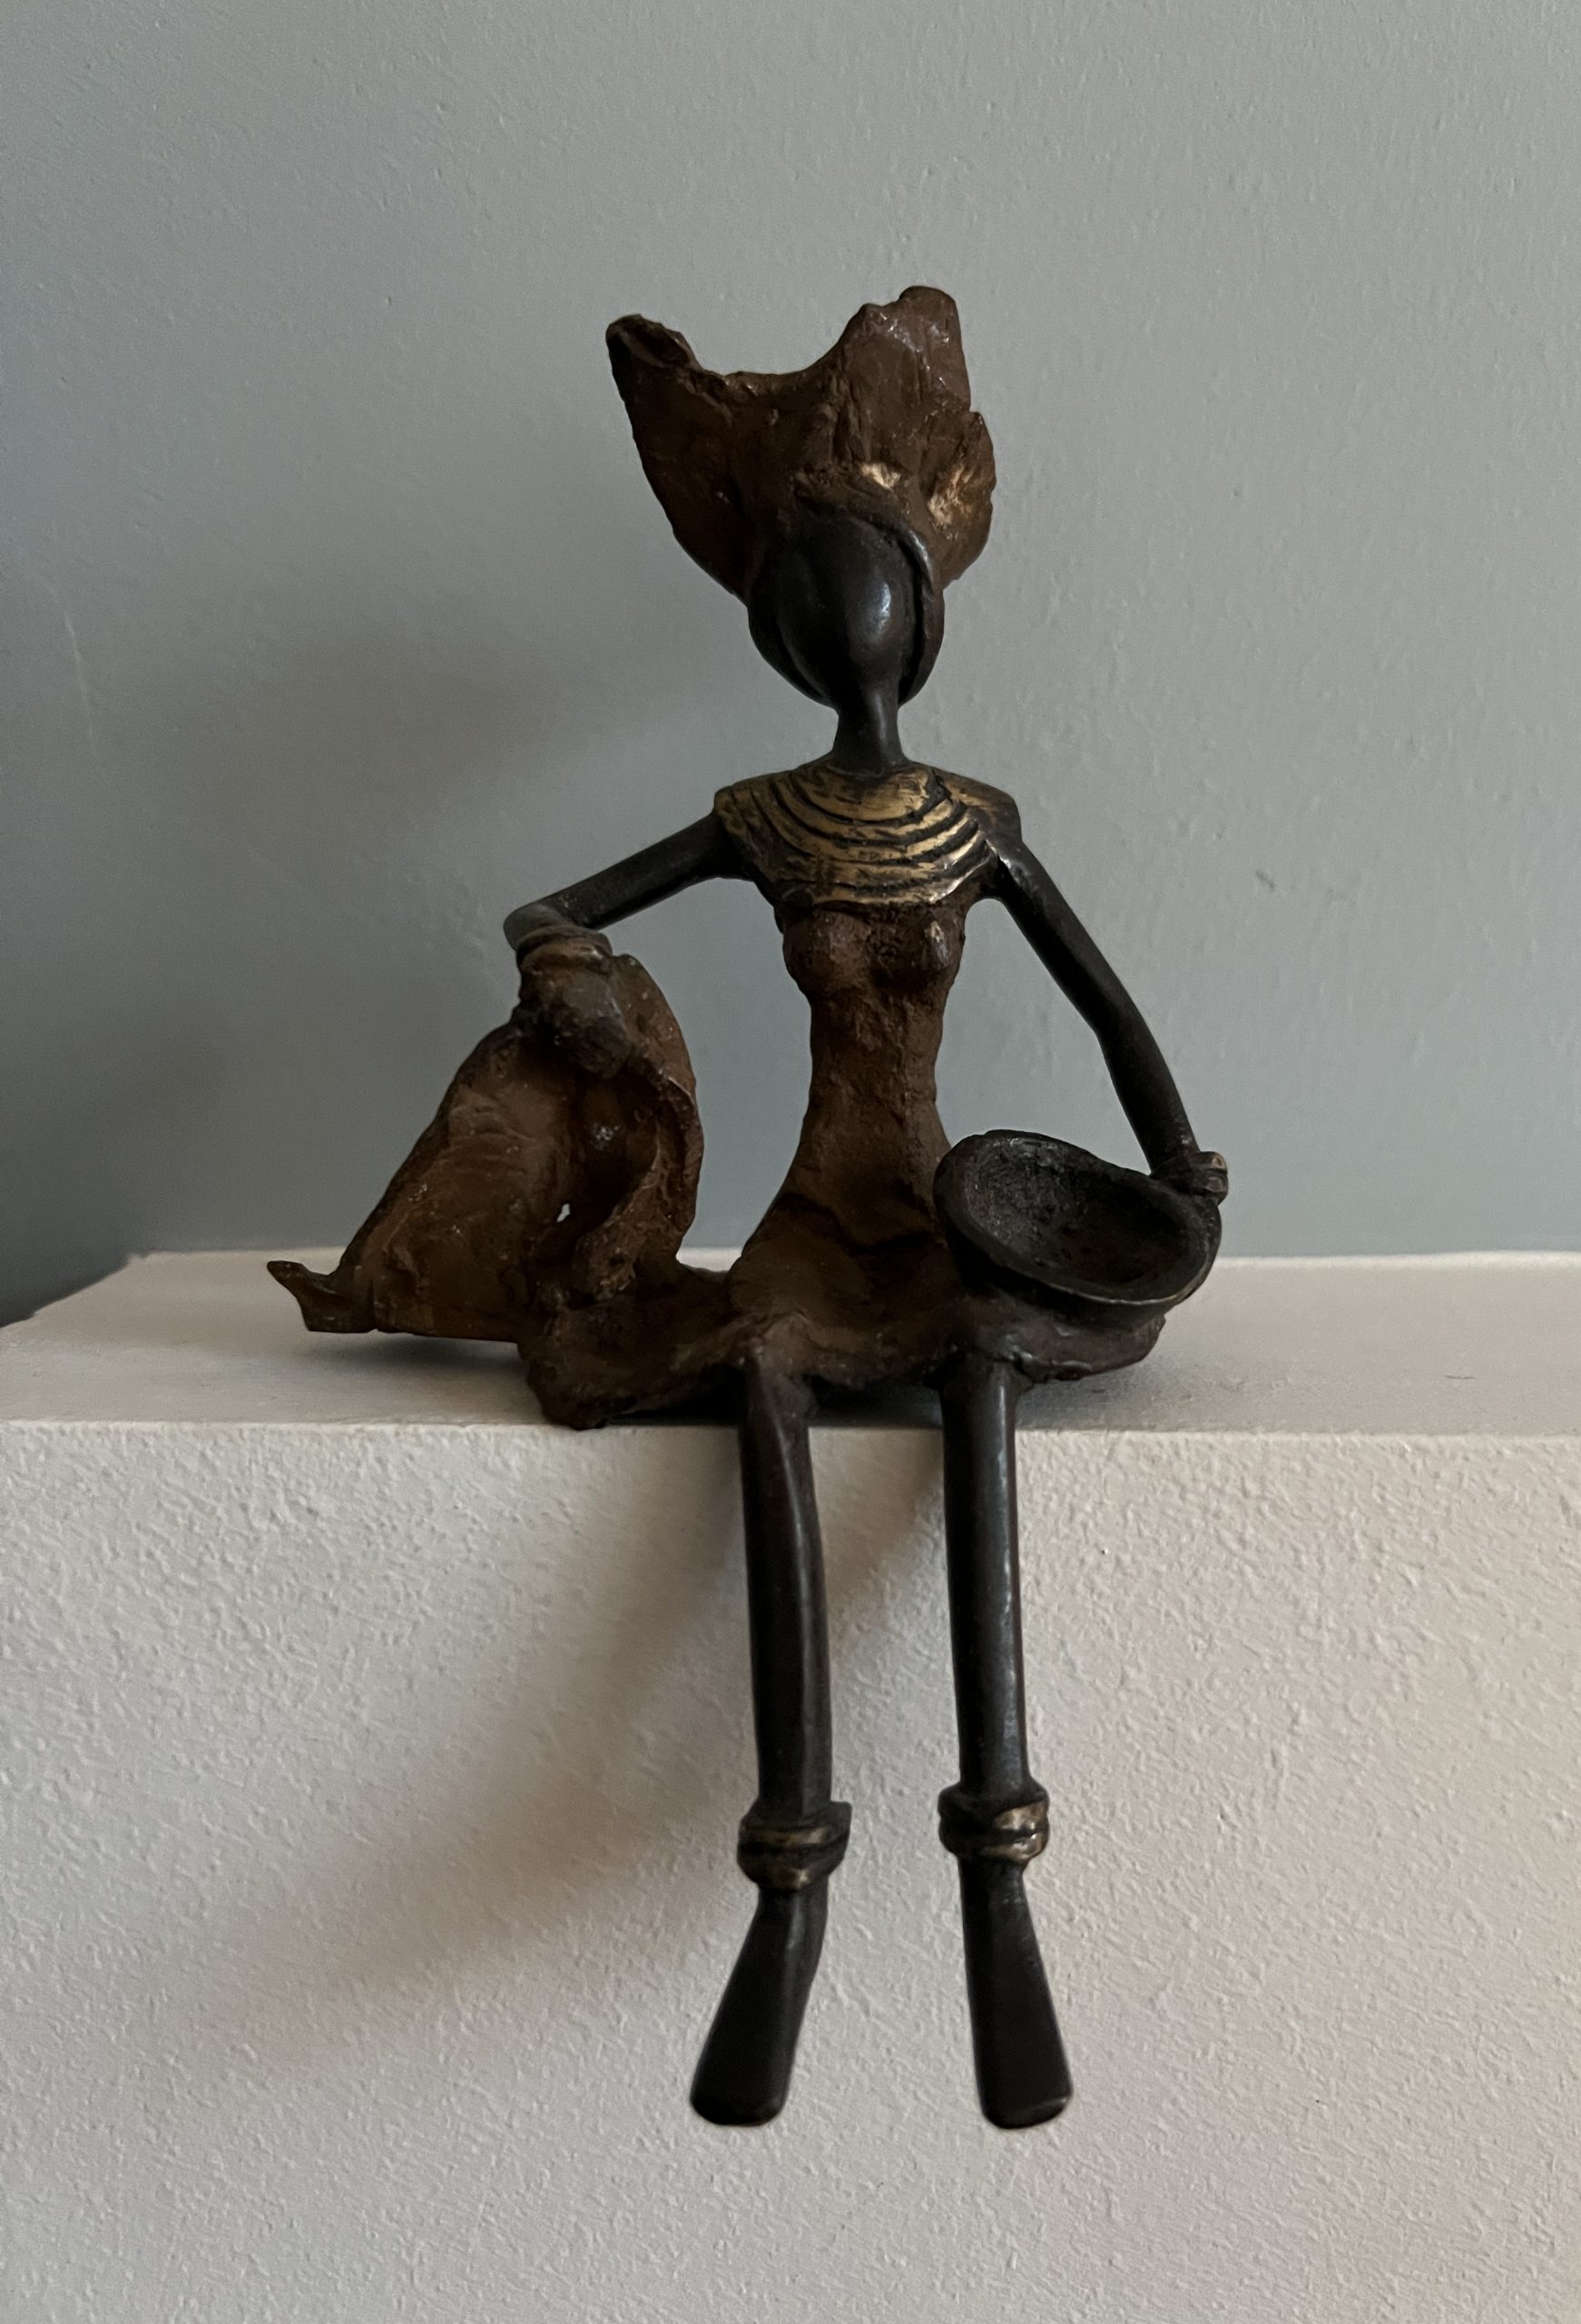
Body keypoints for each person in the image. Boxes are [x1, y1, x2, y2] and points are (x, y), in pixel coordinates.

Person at [276, 290, 1224, 2129]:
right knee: (769, 1362)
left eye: (857, 579)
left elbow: (1115, 1013)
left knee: (978, 1367)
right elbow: (554, 907)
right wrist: (576, 984)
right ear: (781, 629)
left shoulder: (975, 821)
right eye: (802, 591)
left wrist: (1181, 1170)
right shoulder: (764, 818)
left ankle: (1000, 1874)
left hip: (949, 1211)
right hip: (812, 1211)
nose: (832, 617)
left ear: (918, 606)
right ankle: (790, 1873)